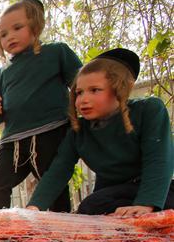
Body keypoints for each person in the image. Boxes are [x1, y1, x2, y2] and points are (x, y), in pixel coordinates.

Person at [26, 48, 174, 215]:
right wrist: (34, 208)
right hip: (111, 194)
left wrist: (146, 204)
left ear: (120, 89)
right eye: (79, 93)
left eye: (95, 90)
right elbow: (59, 170)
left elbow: (158, 160)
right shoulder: (78, 131)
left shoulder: (149, 110)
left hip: (159, 191)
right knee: (90, 207)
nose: (83, 100)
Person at [0, 0, 82, 211]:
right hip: (12, 140)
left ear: (35, 26)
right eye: (3, 34)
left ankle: (61, 227)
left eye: (17, 28)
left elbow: (82, 86)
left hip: (51, 131)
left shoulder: (56, 52)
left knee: (53, 185)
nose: (10, 36)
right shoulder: (2, 73)